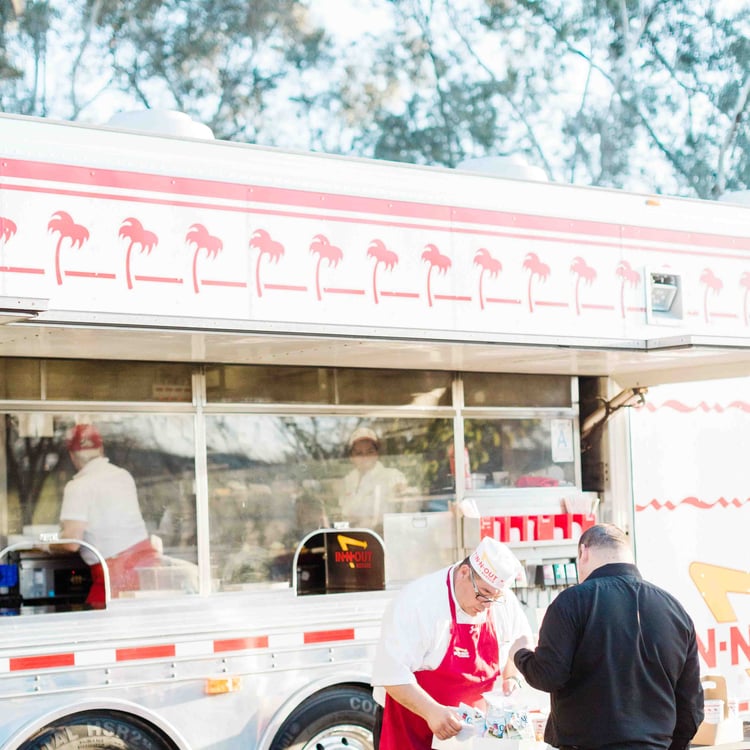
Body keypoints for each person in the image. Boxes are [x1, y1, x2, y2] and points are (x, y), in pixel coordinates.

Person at [510, 523, 704, 750]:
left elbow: (548, 675)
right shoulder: (674, 610)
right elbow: (691, 706)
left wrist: (520, 653)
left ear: (584, 552)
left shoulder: (571, 602)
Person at [371, 537, 532, 749]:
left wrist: (512, 675)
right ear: (464, 573)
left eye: (494, 598)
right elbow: (390, 673)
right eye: (482, 594)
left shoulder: (498, 599)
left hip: (467, 734)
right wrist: (432, 711)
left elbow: (521, 638)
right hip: (410, 724)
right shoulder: (418, 601)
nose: (486, 605)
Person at [56, 424, 159, 607]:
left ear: (72, 456)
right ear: (101, 450)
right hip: (147, 567)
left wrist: (49, 544)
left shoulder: (78, 486)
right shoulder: (123, 476)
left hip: (117, 574)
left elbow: (71, 543)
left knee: (104, 629)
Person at [339, 427, 410, 534]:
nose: (365, 457)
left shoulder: (392, 475)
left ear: (377, 454)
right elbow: (343, 515)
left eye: (370, 451)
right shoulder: (348, 481)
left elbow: (408, 507)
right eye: (359, 453)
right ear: (351, 457)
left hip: (382, 539)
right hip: (351, 541)